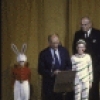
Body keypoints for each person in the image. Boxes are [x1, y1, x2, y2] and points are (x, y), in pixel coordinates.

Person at [72, 17, 100, 100]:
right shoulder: (78, 34)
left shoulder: (98, 34)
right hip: (82, 68)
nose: (83, 26)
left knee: (93, 89)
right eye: (81, 25)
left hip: (95, 67)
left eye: (85, 25)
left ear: (90, 24)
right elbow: (74, 49)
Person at [38, 34, 72, 100]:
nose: (56, 45)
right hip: (49, 84)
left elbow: (69, 65)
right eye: (54, 43)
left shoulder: (64, 51)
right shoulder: (43, 54)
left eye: (57, 42)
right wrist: (52, 73)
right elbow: (40, 69)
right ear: (49, 43)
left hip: (62, 83)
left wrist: (63, 73)